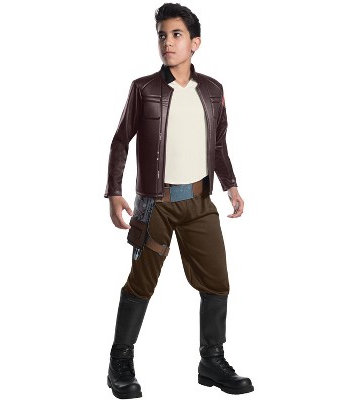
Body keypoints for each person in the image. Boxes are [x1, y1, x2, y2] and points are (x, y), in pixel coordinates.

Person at [103, 3, 254, 398]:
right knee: (141, 283)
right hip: (156, 204)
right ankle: (120, 361)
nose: (167, 42)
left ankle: (212, 360)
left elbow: (218, 145)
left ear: (195, 43)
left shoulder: (213, 91)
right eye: (162, 35)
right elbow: (121, 140)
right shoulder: (144, 89)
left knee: (217, 282)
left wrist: (231, 185)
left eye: (176, 35)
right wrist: (115, 191)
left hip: (200, 204)